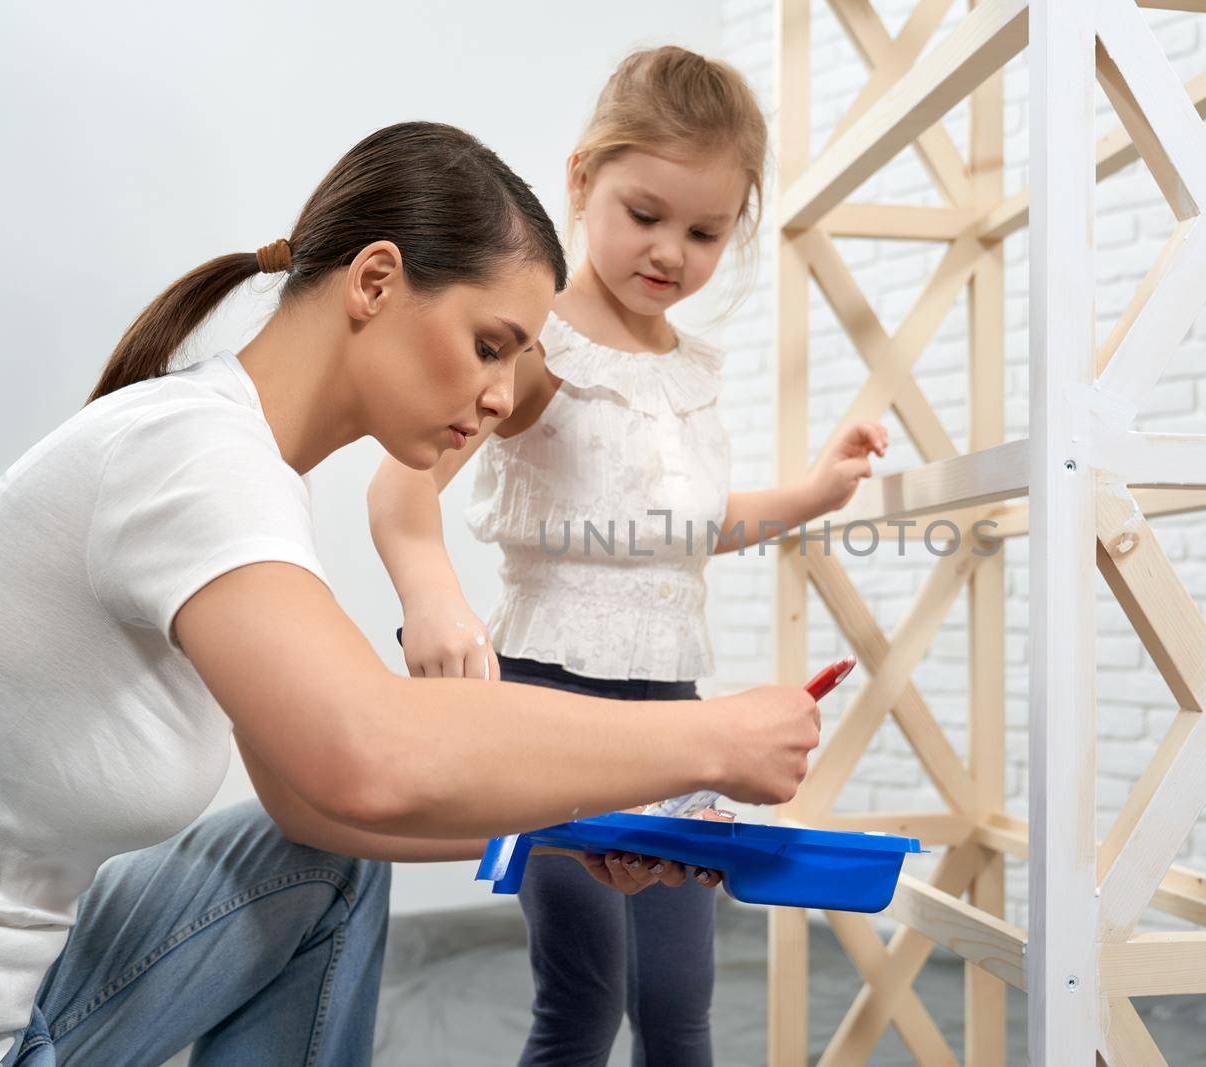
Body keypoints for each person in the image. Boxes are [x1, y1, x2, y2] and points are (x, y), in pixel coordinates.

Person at [0, 120, 821, 1067]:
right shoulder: (195, 459)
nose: (502, 396)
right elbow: (368, 757)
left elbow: (310, 808)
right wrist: (714, 741)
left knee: (329, 862)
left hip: (37, 977)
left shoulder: (238, 471)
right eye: (490, 345)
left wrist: (567, 832)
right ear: (374, 282)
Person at [368, 51, 886, 1067]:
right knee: (585, 996)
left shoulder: (686, 369)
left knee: (680, 1002)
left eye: (704, 231)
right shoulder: (536, 346)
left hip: (671, 705)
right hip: (547, 698)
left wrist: (815, 492)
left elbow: (682, 524)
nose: (671, 251)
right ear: (580, 179)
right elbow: (399, 486)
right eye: (644, 213)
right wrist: (432, 600)